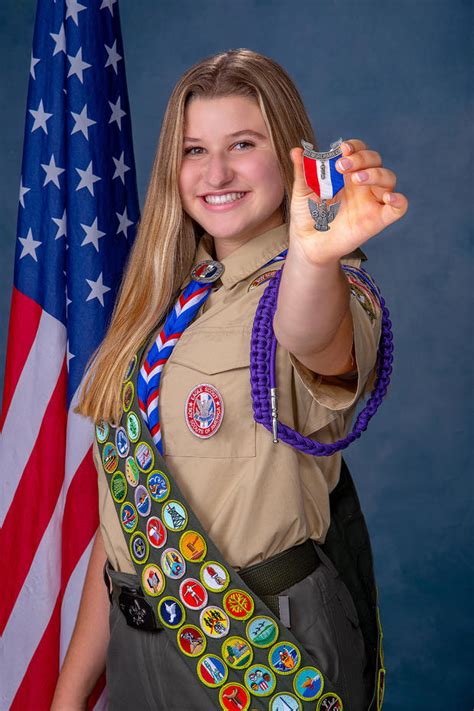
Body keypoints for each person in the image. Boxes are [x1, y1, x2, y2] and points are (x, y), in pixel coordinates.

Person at [51, 48, 407, 711]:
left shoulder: (322, 286)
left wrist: (315, 254)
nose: (215, 172)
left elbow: (309, 334)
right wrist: (69, 695)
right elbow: (129, 526)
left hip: (257, 648)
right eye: (194, 150)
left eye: (242, 144)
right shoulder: (154, 309)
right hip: (136, 655)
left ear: (291, 157)